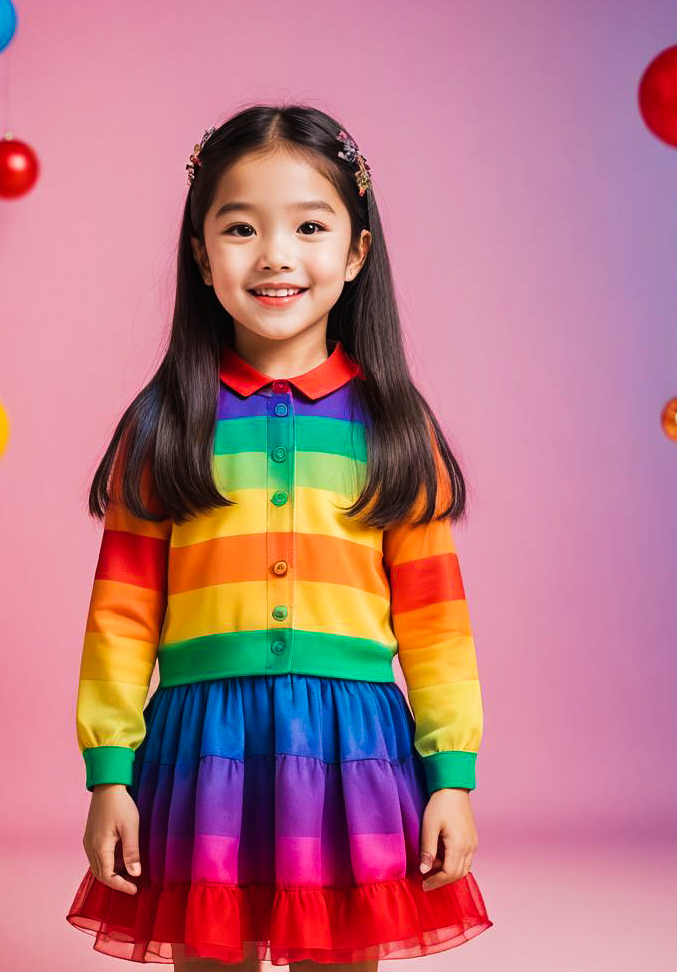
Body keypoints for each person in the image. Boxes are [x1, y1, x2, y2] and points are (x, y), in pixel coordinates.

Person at [65, 104, 493, 969]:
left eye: (308, 225)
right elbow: (121, 615)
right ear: (199, 252)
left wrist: (452, 777)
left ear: (357, 251)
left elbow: (437, 627)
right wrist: (109, 769)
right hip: (201, 748)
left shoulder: (393, 427)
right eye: (239, 228)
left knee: (337, 954)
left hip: (354, 753)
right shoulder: (166, 427)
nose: (275, 256)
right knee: (210, 951)